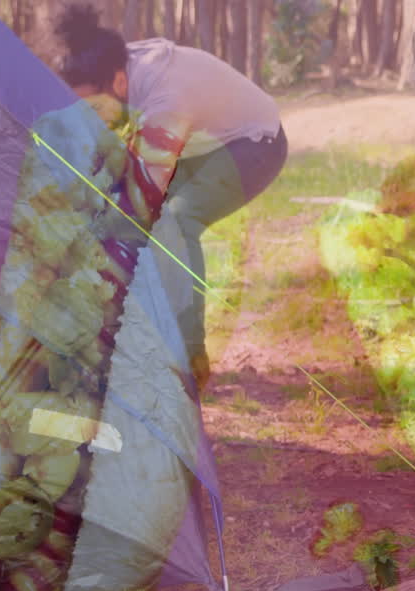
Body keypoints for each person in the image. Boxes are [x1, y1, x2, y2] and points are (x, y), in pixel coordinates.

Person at [52, 5, 288, 391]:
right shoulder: (117, 65)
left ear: (118, 83)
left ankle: (188, 359)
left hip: (256, 143)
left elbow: (136, 199)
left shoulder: (165, 99)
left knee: (175, 221)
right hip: (205, 141)